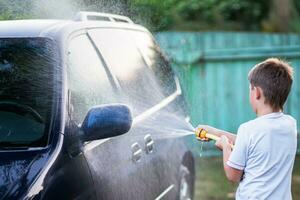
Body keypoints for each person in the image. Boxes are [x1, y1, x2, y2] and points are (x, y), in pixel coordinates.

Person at [198, 58, 297, 200]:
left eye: (250, 89)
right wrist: (216, 133)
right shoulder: (290, 125)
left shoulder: (248, 129)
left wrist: (225, 146)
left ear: (256, 92)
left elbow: (233, 175)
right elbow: (253, 144)